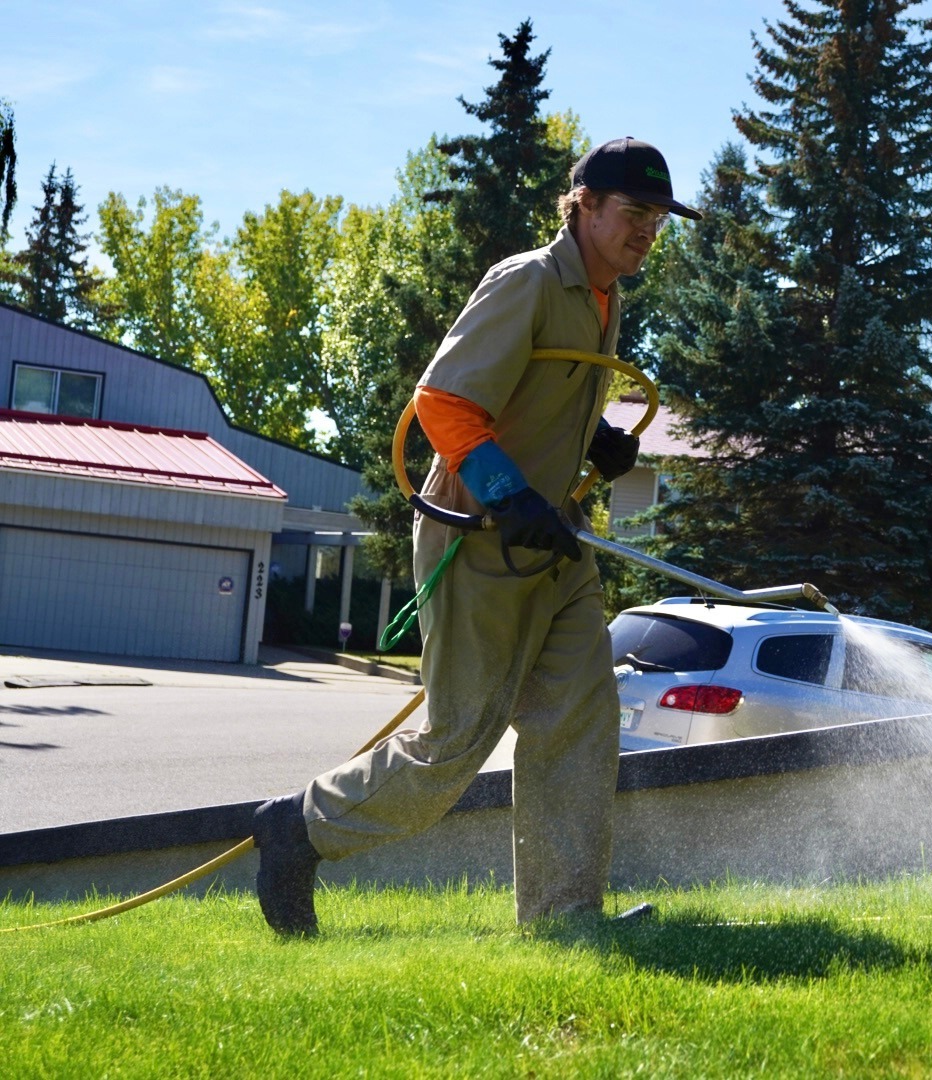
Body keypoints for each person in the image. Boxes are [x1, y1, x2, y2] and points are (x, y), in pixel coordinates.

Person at [251, 138, 702, 936]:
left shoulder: (603, 296)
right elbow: (444, 404)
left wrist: (593, 437)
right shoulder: (528, 280)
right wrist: (509, 494)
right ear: (584, 205)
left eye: (658, 220)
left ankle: (565, 917)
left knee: (579, 720)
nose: (647, 232)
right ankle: (300, 828)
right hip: (481, 537)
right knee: (455, 744)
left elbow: (529, 390)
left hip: (552, 541)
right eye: (634, 214)